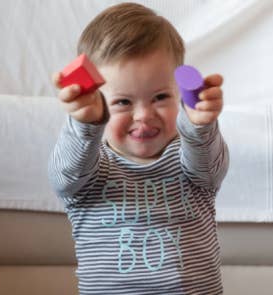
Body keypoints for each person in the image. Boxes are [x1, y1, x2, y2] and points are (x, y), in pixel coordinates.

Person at [48, 3, 229, 294]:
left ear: (179, 94)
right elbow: (64, 175)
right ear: (94, 100)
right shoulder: (90, 168)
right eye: (123, 102)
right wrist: (86, 125)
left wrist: (200, 126)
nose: (143, 115)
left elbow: (210, 165)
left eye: (159, 96)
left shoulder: (191, 160)